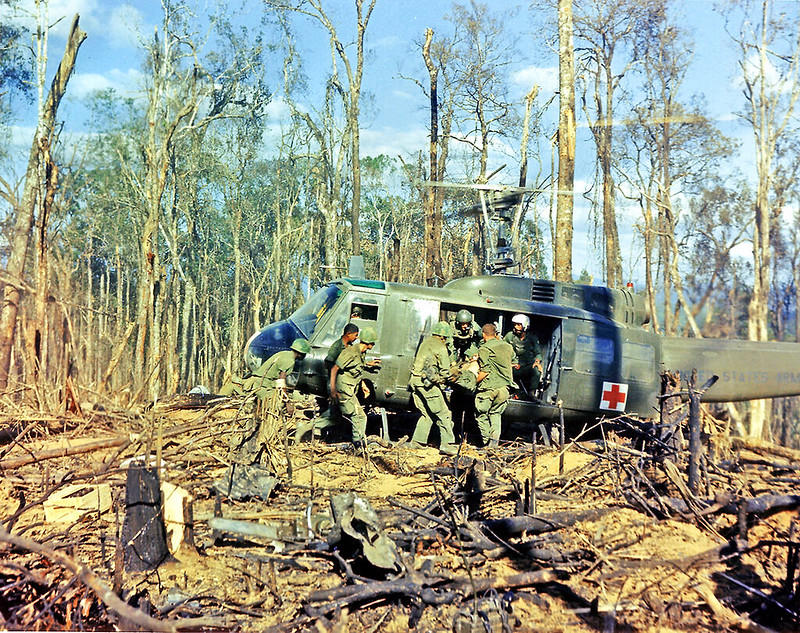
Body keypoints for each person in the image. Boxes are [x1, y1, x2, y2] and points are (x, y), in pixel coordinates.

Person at [297, 324, 359, 442]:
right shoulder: (337, 346)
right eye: (355, 335)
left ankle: (320, 432)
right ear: (348, 334)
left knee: (335, 413)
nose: (356, 338)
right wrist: (333, 388)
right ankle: (307, 427)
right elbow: (328, 364)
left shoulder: (349, 346)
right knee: (333, 414)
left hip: (341, 384)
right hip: (334, 383)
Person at [408, 322, 458, 456]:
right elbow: (446, 372)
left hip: (415, 381)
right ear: (444, 337)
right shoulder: (441, 347)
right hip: (426, 384)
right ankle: (447, 444)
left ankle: (417, 441)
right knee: (444, 413)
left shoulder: (426, 342)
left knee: (427, 414)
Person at [330, 326, 381, 453]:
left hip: (350, 388)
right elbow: (334, 369)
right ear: (369, 343)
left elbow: (356, 366)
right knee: (359, 415)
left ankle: (307, 427)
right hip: (344, 388)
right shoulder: (351, 352)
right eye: (373, 342)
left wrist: (368, 364)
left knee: (332, 417)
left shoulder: (362, 352)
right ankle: (358, 445)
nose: (373, 344)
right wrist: (332, 391)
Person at [220, 338, 311, 404]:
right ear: (301, 353)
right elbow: (281, 382)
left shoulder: (284, 354)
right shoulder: (290, 361)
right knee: (279, 405)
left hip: (257, 381)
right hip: (262, 385)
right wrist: (287, 402)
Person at [474, 323, 514, 448]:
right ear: (495, 334)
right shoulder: (508, 346)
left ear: (484, 335)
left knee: (481, 414)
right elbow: (512, 360)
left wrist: (473, 382)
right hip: (504, 389)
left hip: (489, 389)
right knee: (496, 414)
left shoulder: (484, 348)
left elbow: (485, 371)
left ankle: (486, 442)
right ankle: (494, 443)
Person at [504, 314, 543, 398]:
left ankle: (532, 393)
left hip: (528, 366)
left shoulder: (532, 337)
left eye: (519, 325)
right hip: (513, 365)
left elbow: (538, 353)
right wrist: (510, 363)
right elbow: (503, 349)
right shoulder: (510, 336)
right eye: (515, 324)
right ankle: (513, 392)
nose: (516, 327)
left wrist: (537, 362)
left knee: (536, 371)